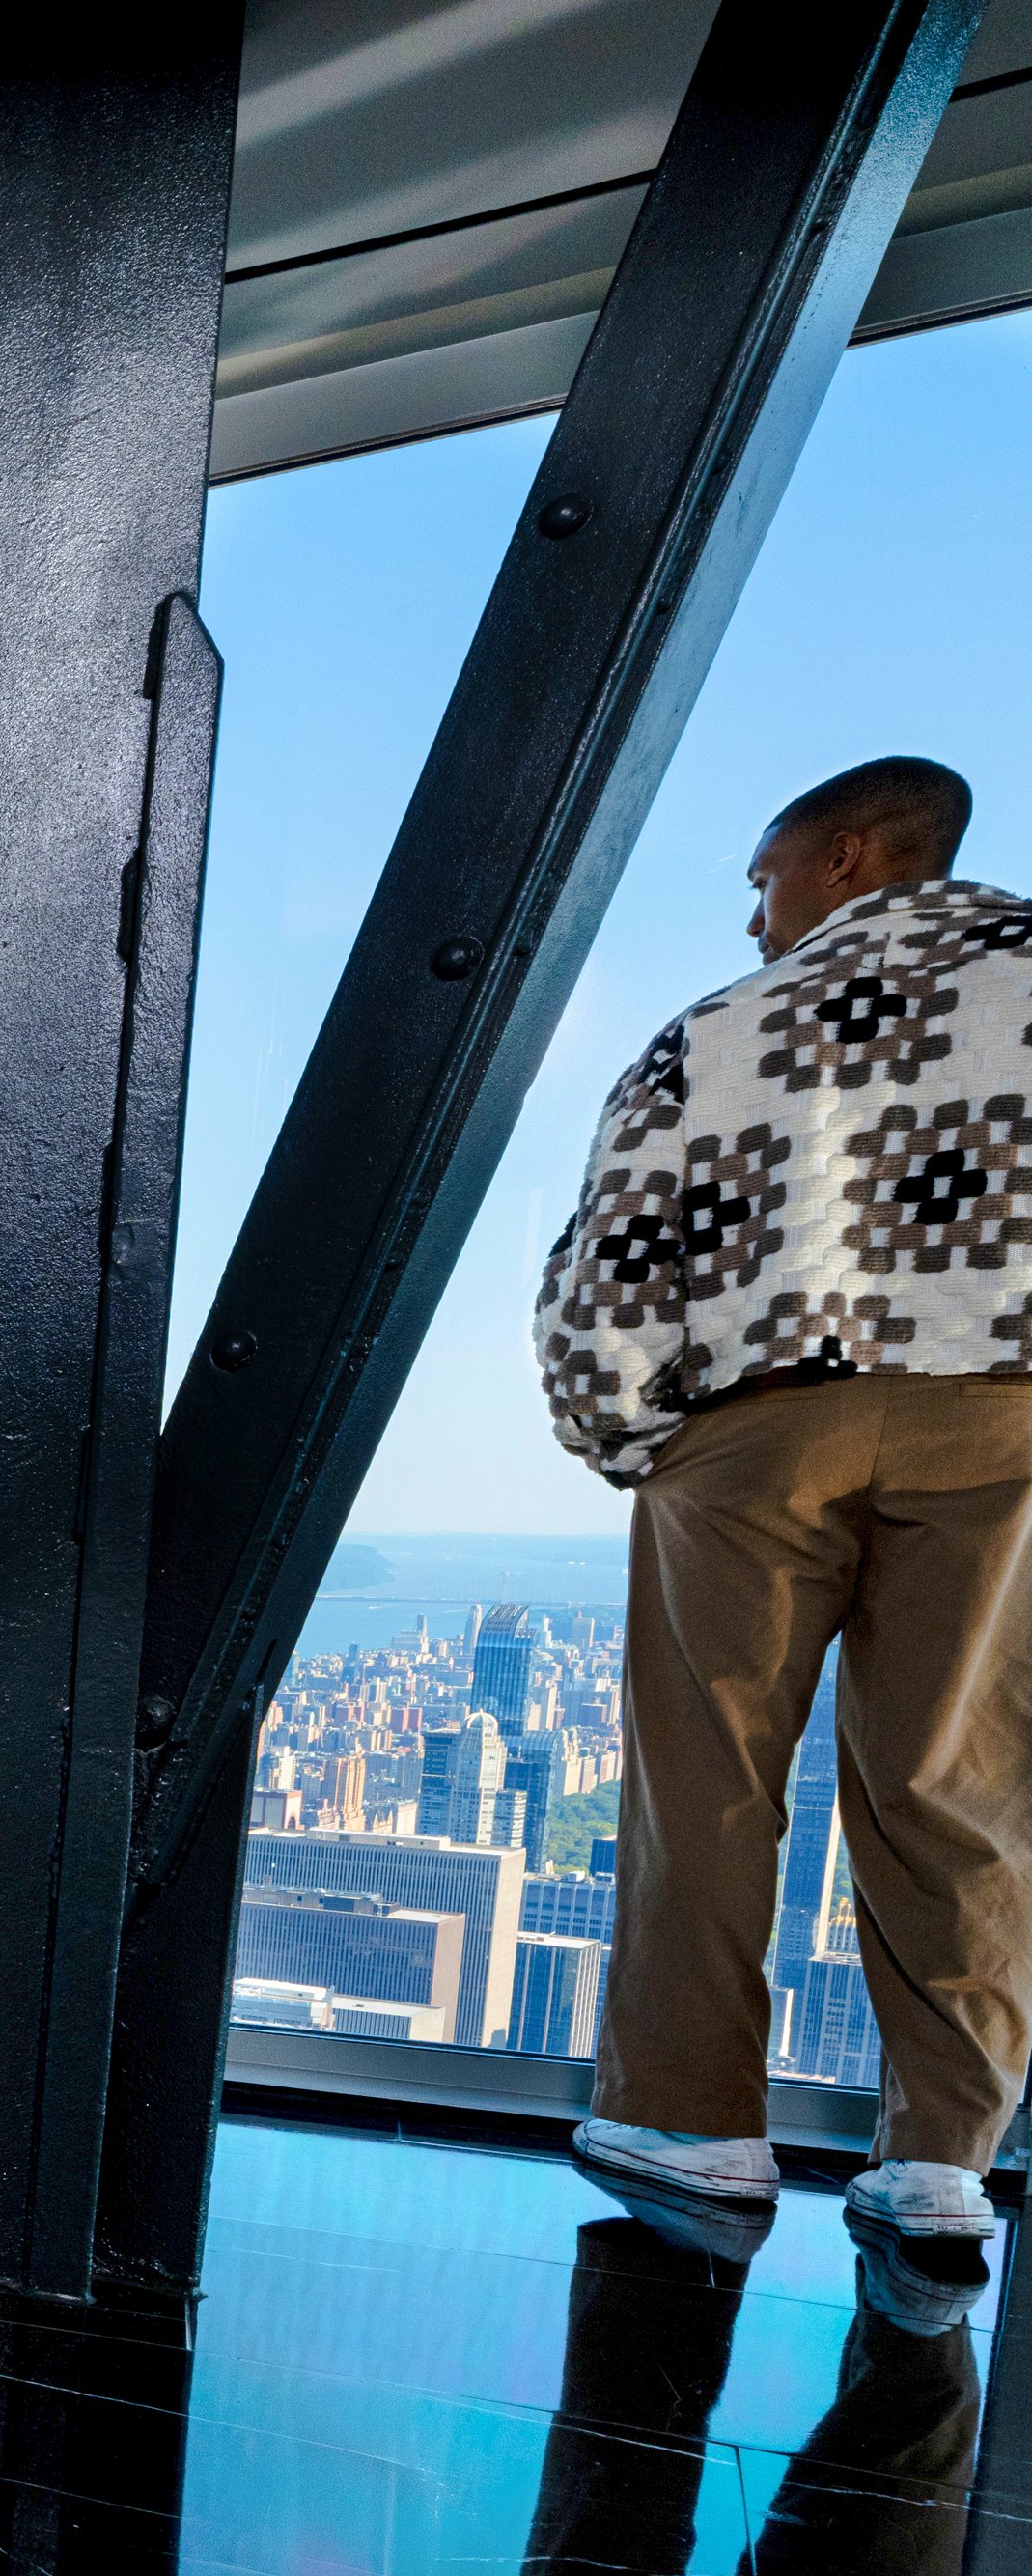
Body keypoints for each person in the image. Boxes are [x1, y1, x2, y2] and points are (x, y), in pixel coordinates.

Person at [537, 756, 1032, 2247]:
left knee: (707, 1782)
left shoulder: (720, 1030)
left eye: (766, 882)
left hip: (756, 1432)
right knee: (960, 1784)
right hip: (1005, 1414)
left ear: (851, 855)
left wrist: (621, 1433)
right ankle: (942, 2160)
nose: (756, 920)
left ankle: (691, 2127)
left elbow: (610, 1267)